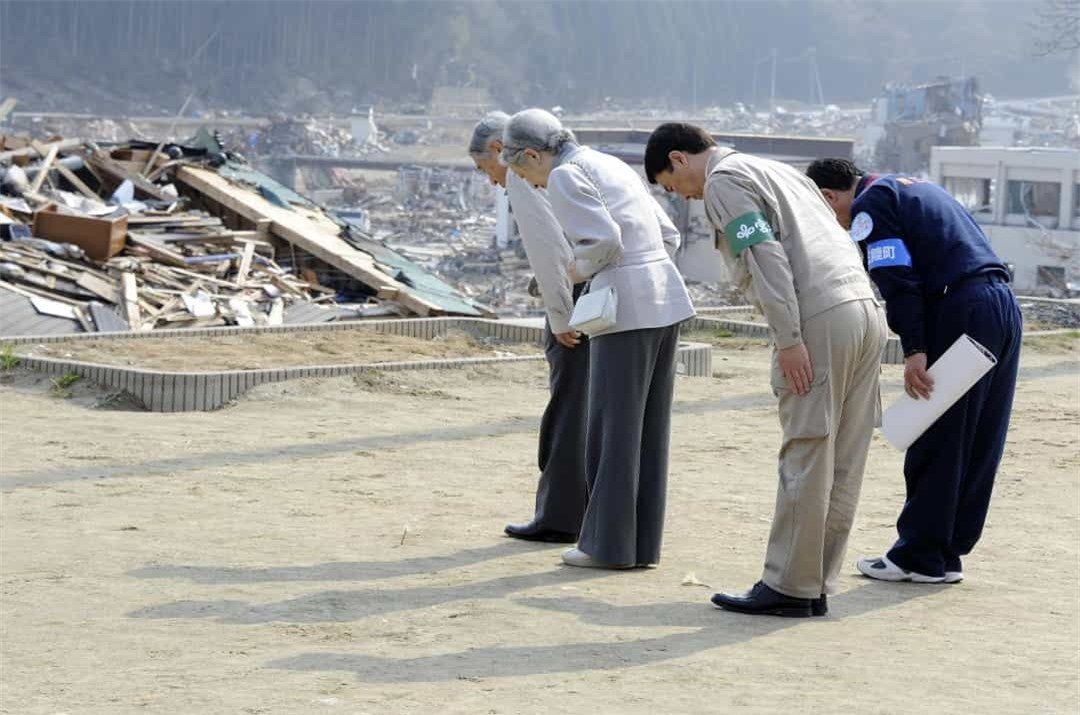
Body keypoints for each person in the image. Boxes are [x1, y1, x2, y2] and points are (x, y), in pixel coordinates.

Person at [645, 123, 886, 617]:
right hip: (864, 309)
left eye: (673, 185)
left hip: (817, 317)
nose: (684, 196)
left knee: (807, 448)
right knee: (844, 455)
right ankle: (815, 582)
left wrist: (789, 338)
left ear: (679, 158)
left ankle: (789, 587)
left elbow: (763, 255)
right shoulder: (780, 171)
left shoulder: (724, 182)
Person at [807, 158, 1022, 585]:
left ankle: (918, 556)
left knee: (936, 432)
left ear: (828, 197)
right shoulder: (914, 186)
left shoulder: (870, 205)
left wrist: (915, 349)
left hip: (960, 310)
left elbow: (896, 278)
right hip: (1001, 306)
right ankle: (947, 554)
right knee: (980, 437)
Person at [501, 109, 695, 569]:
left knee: (612, 432)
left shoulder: (565, 175)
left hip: (623, 308)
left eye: (522, 172)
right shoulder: (609, 163)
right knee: (648, 433)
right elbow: (668, 234)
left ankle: (605, 546)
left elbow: (603, 242)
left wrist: (575, 272)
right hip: (665, 298)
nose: (528, 183)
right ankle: (639, 545)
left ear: (531, 155)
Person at [468, 112, 588, 544]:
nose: (492, 180)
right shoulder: (576, 165)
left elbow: (548, 249)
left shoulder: (523, 178)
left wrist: (559, 315)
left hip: (575, 300)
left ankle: (559, 516)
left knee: (568, 409)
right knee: (588, 408)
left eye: (485, 168)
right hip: (603, 292)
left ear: (500, 149)